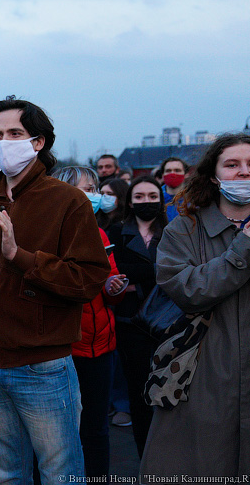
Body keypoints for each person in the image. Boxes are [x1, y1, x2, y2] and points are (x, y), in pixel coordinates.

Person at [0, 97, 110, 482]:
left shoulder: (68, 201)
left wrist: (20, 256)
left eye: (15, 133)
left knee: (60, 472)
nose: (4, 142)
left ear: (38, 142)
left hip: (42, 365)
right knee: (7, 473)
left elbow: (89, 278)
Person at [141, 133, 250, 477]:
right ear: (214, 175)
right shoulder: (184, 228)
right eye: (233, 164)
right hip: (201, 375)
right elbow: (188, 290)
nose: (244, 172)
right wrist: (245, 251)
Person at [53, 166, 127, 478]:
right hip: (64, 349)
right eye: (86, 189)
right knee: (58, 432)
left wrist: (113, 288)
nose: (94, 196)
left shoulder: (100, 234)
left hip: (102, 346)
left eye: (95, 189)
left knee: (96, 429)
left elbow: (109, 287)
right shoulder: (49, 236)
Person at [104, 176, 167, 458]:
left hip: (168, 323)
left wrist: (136, 282)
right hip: (131, 325)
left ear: (161, 200)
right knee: (140, 395)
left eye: (152, 196)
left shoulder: (175, 231)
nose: (146, 202)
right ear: (130, 201)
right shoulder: (116, 231)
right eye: (139, 197)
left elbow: (177, 270)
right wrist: (154, 273)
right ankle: (146, 459)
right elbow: (115, 269)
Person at [159, 157, 188, 221]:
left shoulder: (195, 198)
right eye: (168, 171)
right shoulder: (156, 198)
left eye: (177, 170)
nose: (172, 174)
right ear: (163, 175)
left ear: (186, 174)